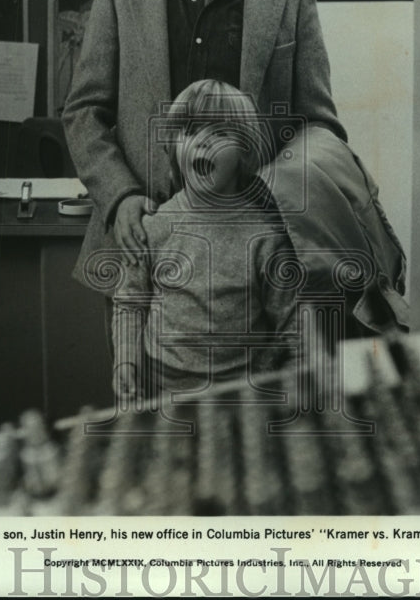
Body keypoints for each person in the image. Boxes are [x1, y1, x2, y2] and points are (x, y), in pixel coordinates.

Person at [63, 0, 345, 298]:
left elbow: (319, 127)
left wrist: (276, 207)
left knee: (250, 380)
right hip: (141, 253)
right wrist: (120, 196)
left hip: (255, 261)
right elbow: (85, 111)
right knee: (139, 379)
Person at [110, 80, 297, 401]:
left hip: (243, 392)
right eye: (189, 131)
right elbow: (129, 303)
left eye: (220, 134)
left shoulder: (266, 236)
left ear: (245, 151)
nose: (201, 143)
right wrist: (126, 359)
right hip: (162, 388)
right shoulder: (154, 226)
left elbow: (291, 319)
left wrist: (299, 368)